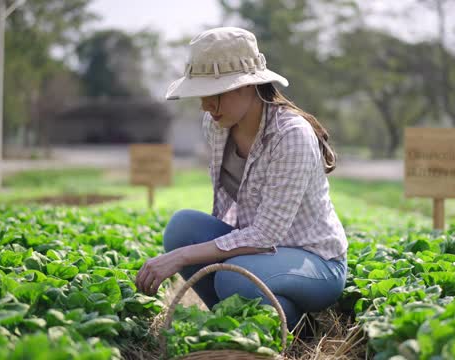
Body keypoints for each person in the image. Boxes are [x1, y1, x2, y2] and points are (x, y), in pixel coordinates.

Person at [135, 27, 348, 332]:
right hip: (262, 255)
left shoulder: (291, 135)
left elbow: (264, 235)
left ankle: (297, 327)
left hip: (314, 262)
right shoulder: (216, 124)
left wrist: (180, 258)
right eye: (201, 94)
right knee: (182, 228)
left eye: (214, 93)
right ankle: (241, 322)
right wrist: (187, 251)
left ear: (246, 86)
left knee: (234, 277)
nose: (204, 105)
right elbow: (227, 213)